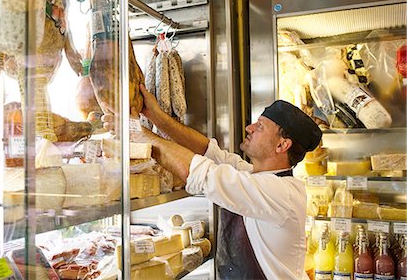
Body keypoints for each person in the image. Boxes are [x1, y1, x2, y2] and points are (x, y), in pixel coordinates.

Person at [106, 84, 322, 279]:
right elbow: (209, 152)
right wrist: (156, 117)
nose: (249, 128)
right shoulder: (257, 176)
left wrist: (137, 134)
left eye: (261, 127)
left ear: (281, 145)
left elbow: (199, 172)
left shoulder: (280, 192)